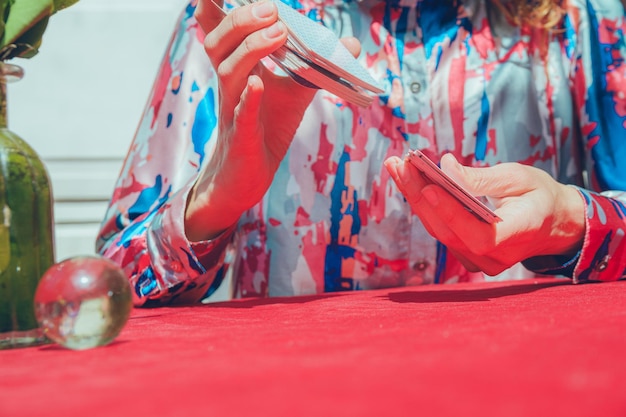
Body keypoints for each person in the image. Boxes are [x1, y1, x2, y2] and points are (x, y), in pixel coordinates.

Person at [97, 0, 626, 306]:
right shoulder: (242, 15)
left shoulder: (583, 21)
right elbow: (105, 293)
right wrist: (213, 202)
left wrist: (570, 220)